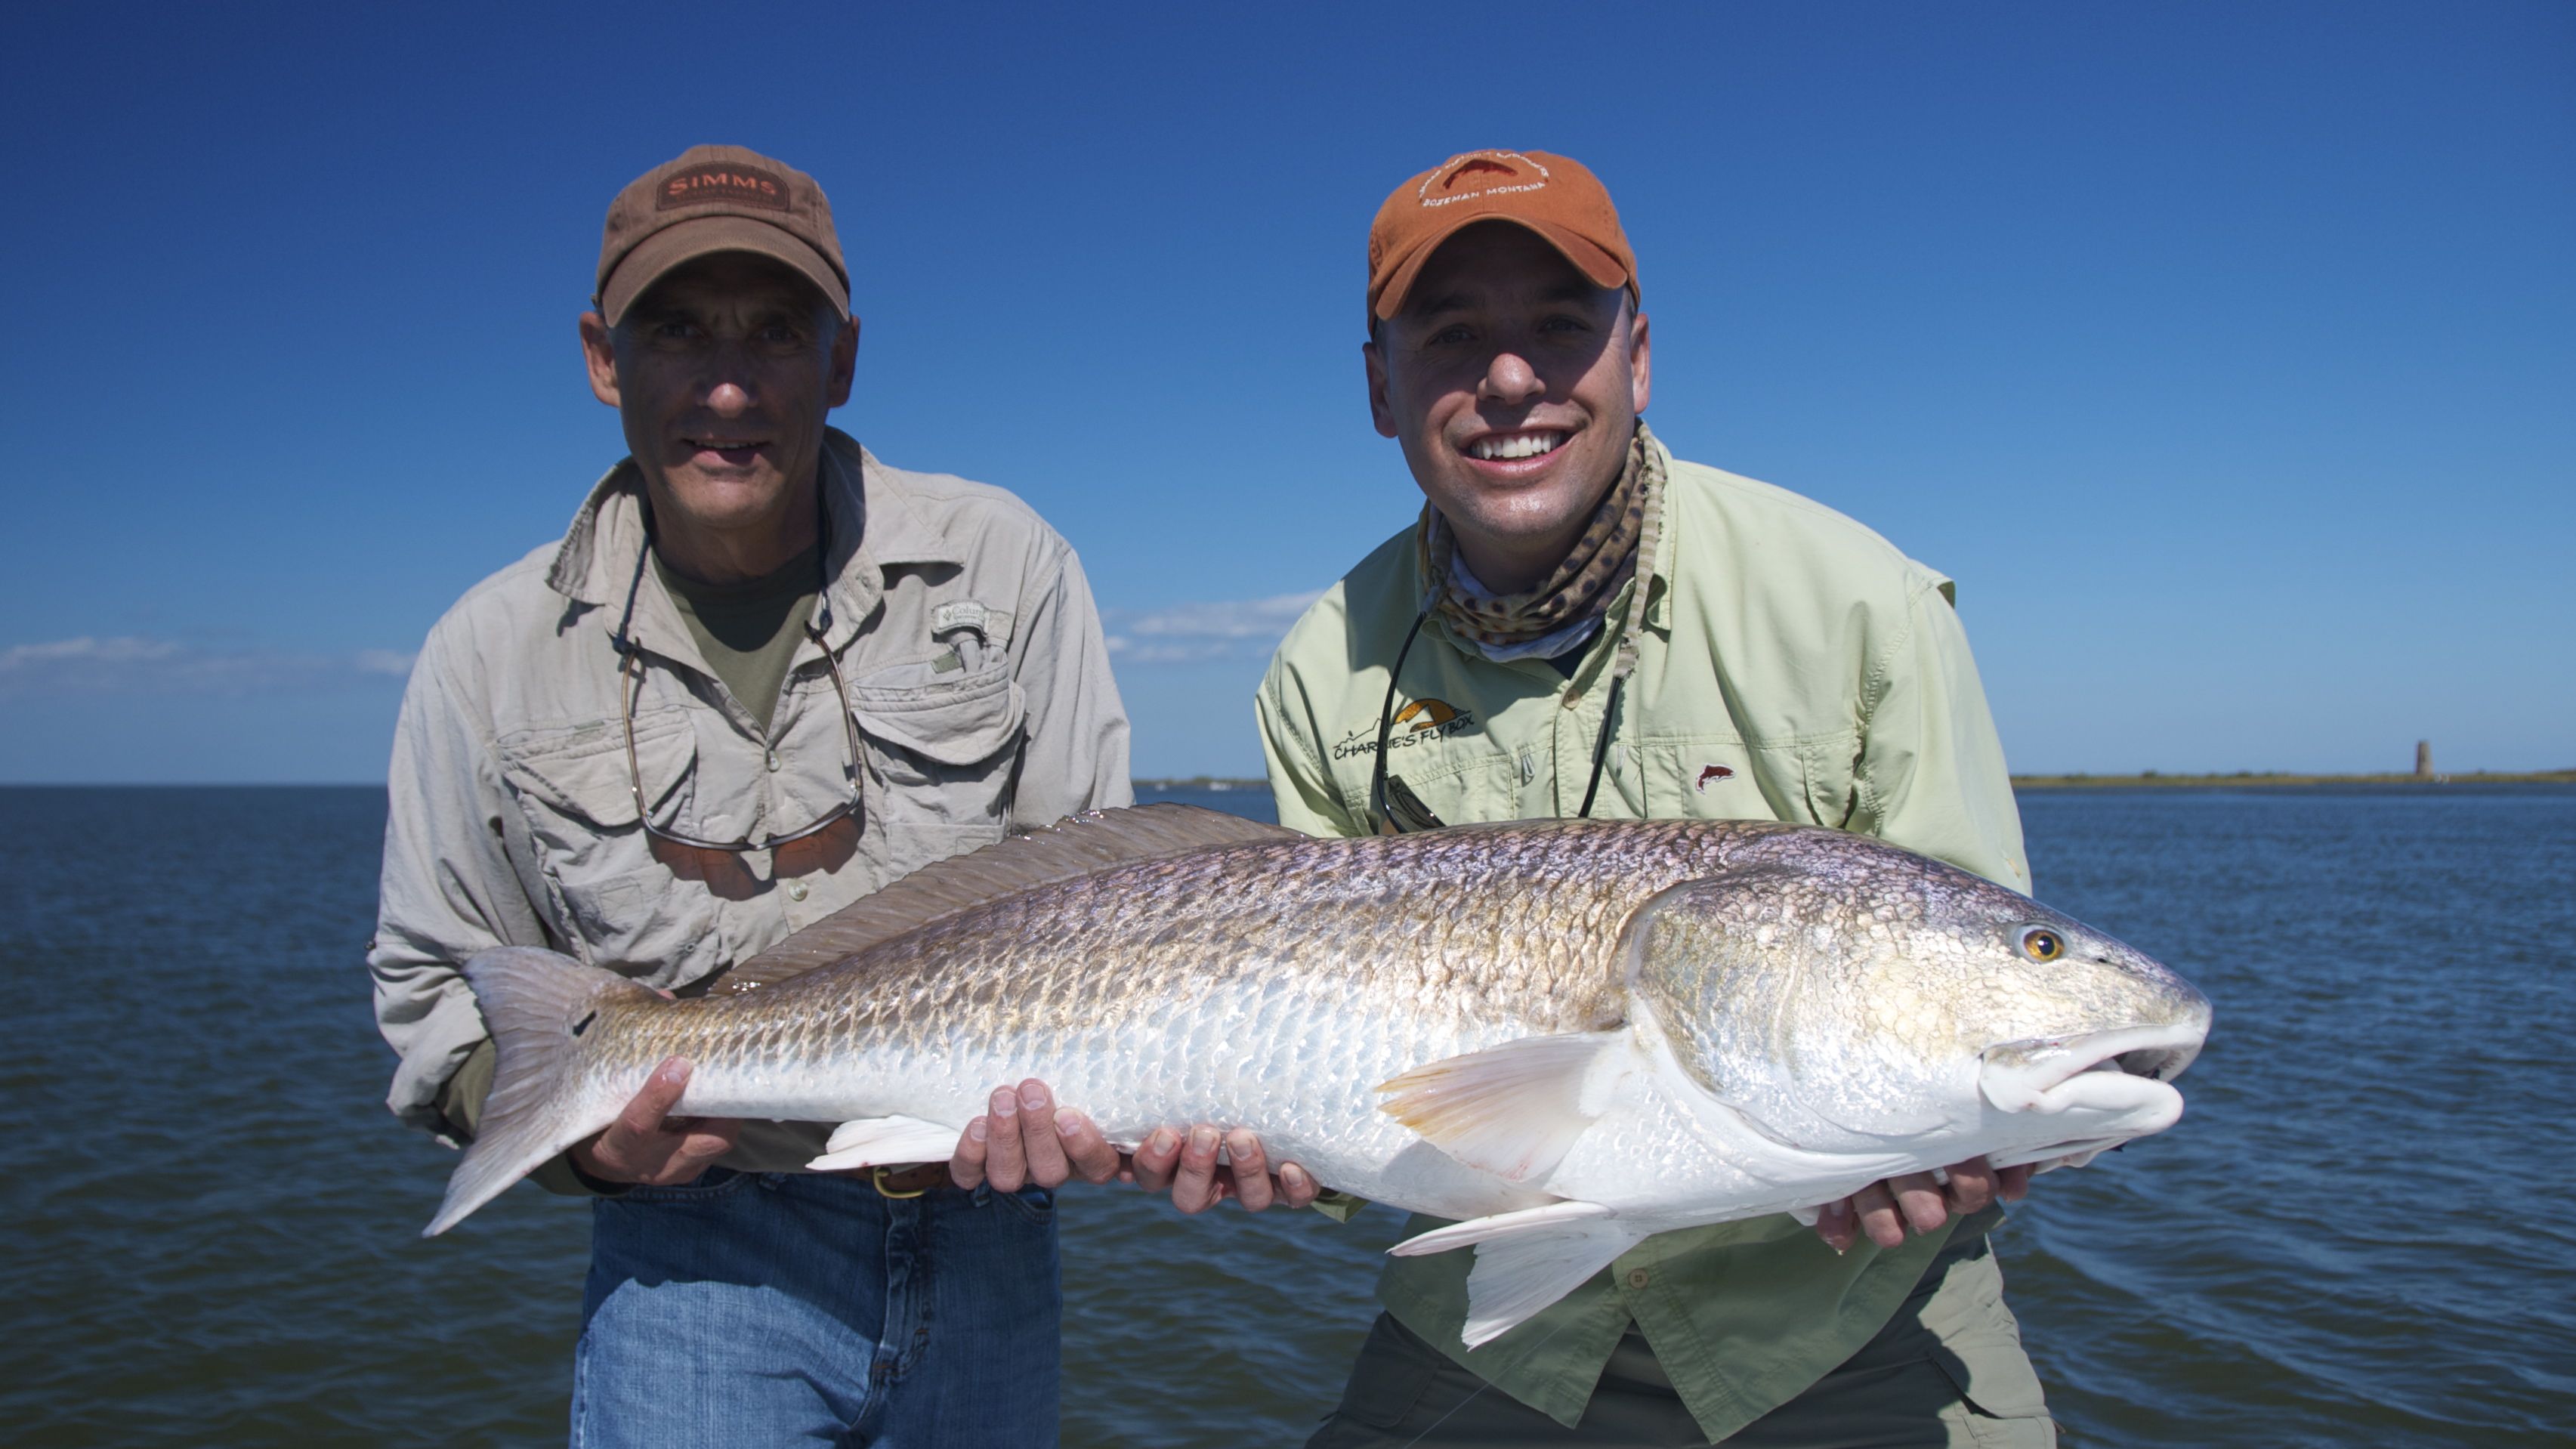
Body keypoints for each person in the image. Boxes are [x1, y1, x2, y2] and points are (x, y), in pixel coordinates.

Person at [367, 144, 1305, 1448]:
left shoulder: (1006, 564)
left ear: (844, 357)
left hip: (988, 1236)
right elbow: (431, 987)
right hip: (689, 1257)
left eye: (776, 331)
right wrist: (592, 1146)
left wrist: (1150, 1103)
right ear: (601, 358)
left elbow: (1111, 908)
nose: (729, 380)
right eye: (678, 329)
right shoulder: (488, 650)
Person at [1256, 150, 2058, 1446]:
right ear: (1377, 385)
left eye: (1559, 328)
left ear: (1637, 357)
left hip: (1841, 1318)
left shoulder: (1861, 603)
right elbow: (1319, 1074)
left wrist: (1959, 1151)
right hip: (1492, 1331)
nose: (1509, 379)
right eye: (1452, 336)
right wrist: (1266, 1150)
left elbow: (1966, 981)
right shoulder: (1320, 663)